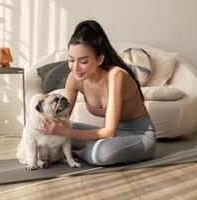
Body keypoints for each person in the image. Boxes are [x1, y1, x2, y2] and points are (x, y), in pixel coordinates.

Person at [39, 20, 156, 166]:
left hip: (138, 135)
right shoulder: (74, 78)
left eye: (83, 61)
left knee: (102, 154)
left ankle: (77, 152)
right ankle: (86, 147)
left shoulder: (116, 75)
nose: (75, 68)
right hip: (109, 135)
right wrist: (43, 108)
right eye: (71, 60)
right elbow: (62, 119)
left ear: (99, 59)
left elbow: (109, 132)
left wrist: (67, 132)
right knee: (53, 129)